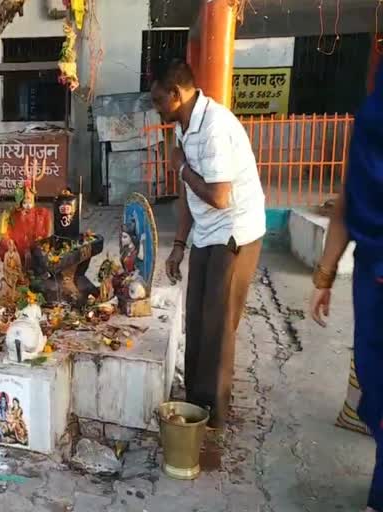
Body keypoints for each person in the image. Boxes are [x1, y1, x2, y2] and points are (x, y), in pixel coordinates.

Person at [154, 59, 266, 429]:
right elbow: (190, 194)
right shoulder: (184, 127)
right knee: (196, 319)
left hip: (235, 231)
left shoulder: (215, 125)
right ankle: (195, 405)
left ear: (176, 93)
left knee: (217, 325)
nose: (155, 107)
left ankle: (213, 416)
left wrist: (181, 167)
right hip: (206, 232)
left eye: (158, 99)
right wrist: (179, 244)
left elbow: (219, 196)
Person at [309, 68, 383, 512]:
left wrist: (325, 275)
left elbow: (346, 199)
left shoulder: (371, 114)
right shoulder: (372, 117)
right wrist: (324, 275)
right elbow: (349, 197)